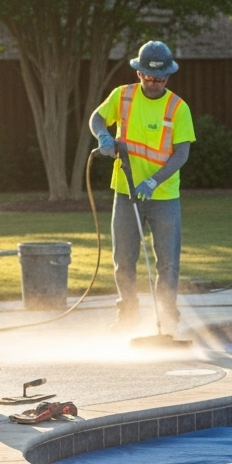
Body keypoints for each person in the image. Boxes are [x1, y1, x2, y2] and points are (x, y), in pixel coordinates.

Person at [89, 40, 195, 334]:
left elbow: (182, 153)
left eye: (160, 78)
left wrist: (154, 180)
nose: (154, 82)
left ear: (168, 76)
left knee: (167, 264)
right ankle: (129, 315)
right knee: (123, 260)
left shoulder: (178, 107)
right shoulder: (122, 97)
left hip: (163, 195)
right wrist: (103, 137)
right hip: (126, 190)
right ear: (139, 73)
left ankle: (166, 318)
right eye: (149, 76)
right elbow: (97, 118)